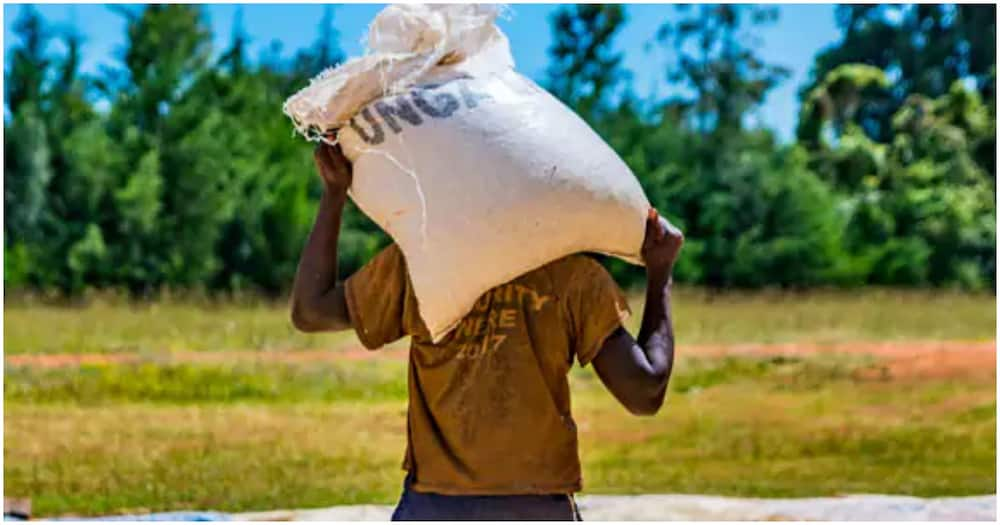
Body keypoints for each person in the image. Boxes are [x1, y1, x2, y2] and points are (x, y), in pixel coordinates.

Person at [291, 144, 684, 521]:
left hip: (434, 508)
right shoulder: (574, 278)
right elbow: (644, 391)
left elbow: (311, 310)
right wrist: (659, 274)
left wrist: (334, 195)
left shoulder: (422, 264)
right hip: (536, 509)